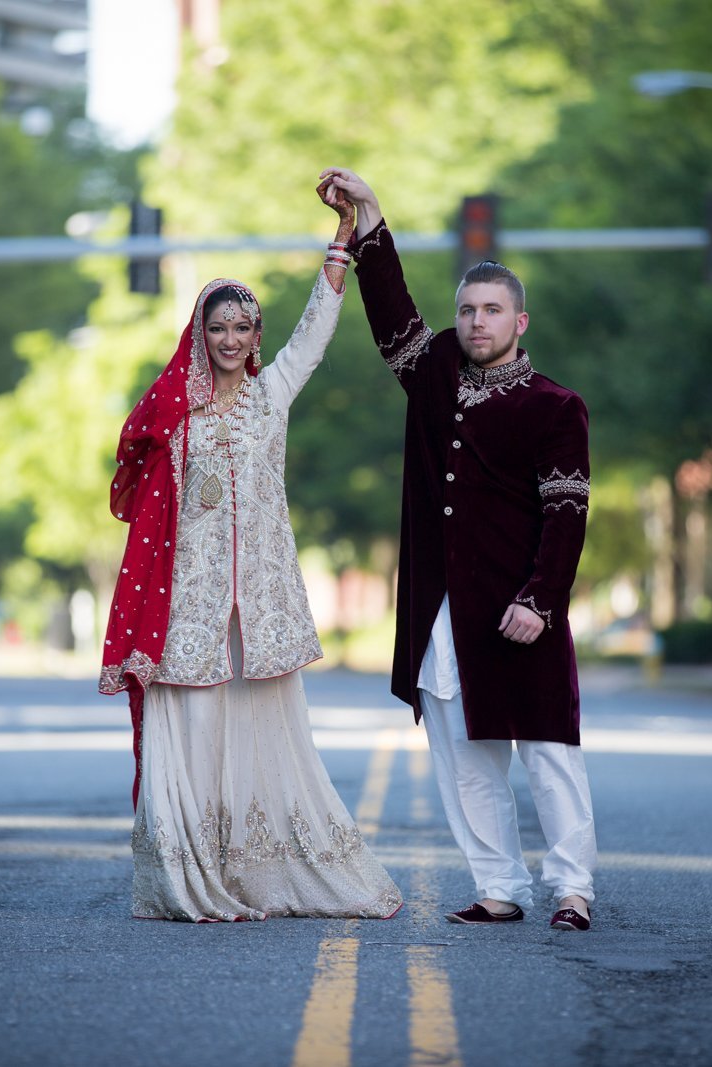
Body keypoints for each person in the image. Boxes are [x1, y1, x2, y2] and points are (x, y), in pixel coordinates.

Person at [99, 185, 402, 923]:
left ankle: (262, 873)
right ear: (199, 334)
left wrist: (344, 240)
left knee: (266, 732)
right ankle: (193, 878)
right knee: (198, 737)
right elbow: (144, 511)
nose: (231, 338)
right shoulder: (174, 412)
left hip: (259, 608)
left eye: (243, 326)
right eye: (219, 327)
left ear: (255, 334)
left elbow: (315, 333)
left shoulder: (273, 397)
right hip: (191, 607)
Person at [319, 167, 598, 932]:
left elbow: (567, 512)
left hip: (520, 609)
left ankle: (572, 889)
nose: (477, 322)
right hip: (443, 609)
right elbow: (393, 322)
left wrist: (541, 600)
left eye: (492, 310)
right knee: (464, 760)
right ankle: (500, 887)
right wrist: (370, 221)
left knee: (547, 755)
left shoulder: (556, 407)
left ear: (521, 321)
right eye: (468, 309)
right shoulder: (438, 371)